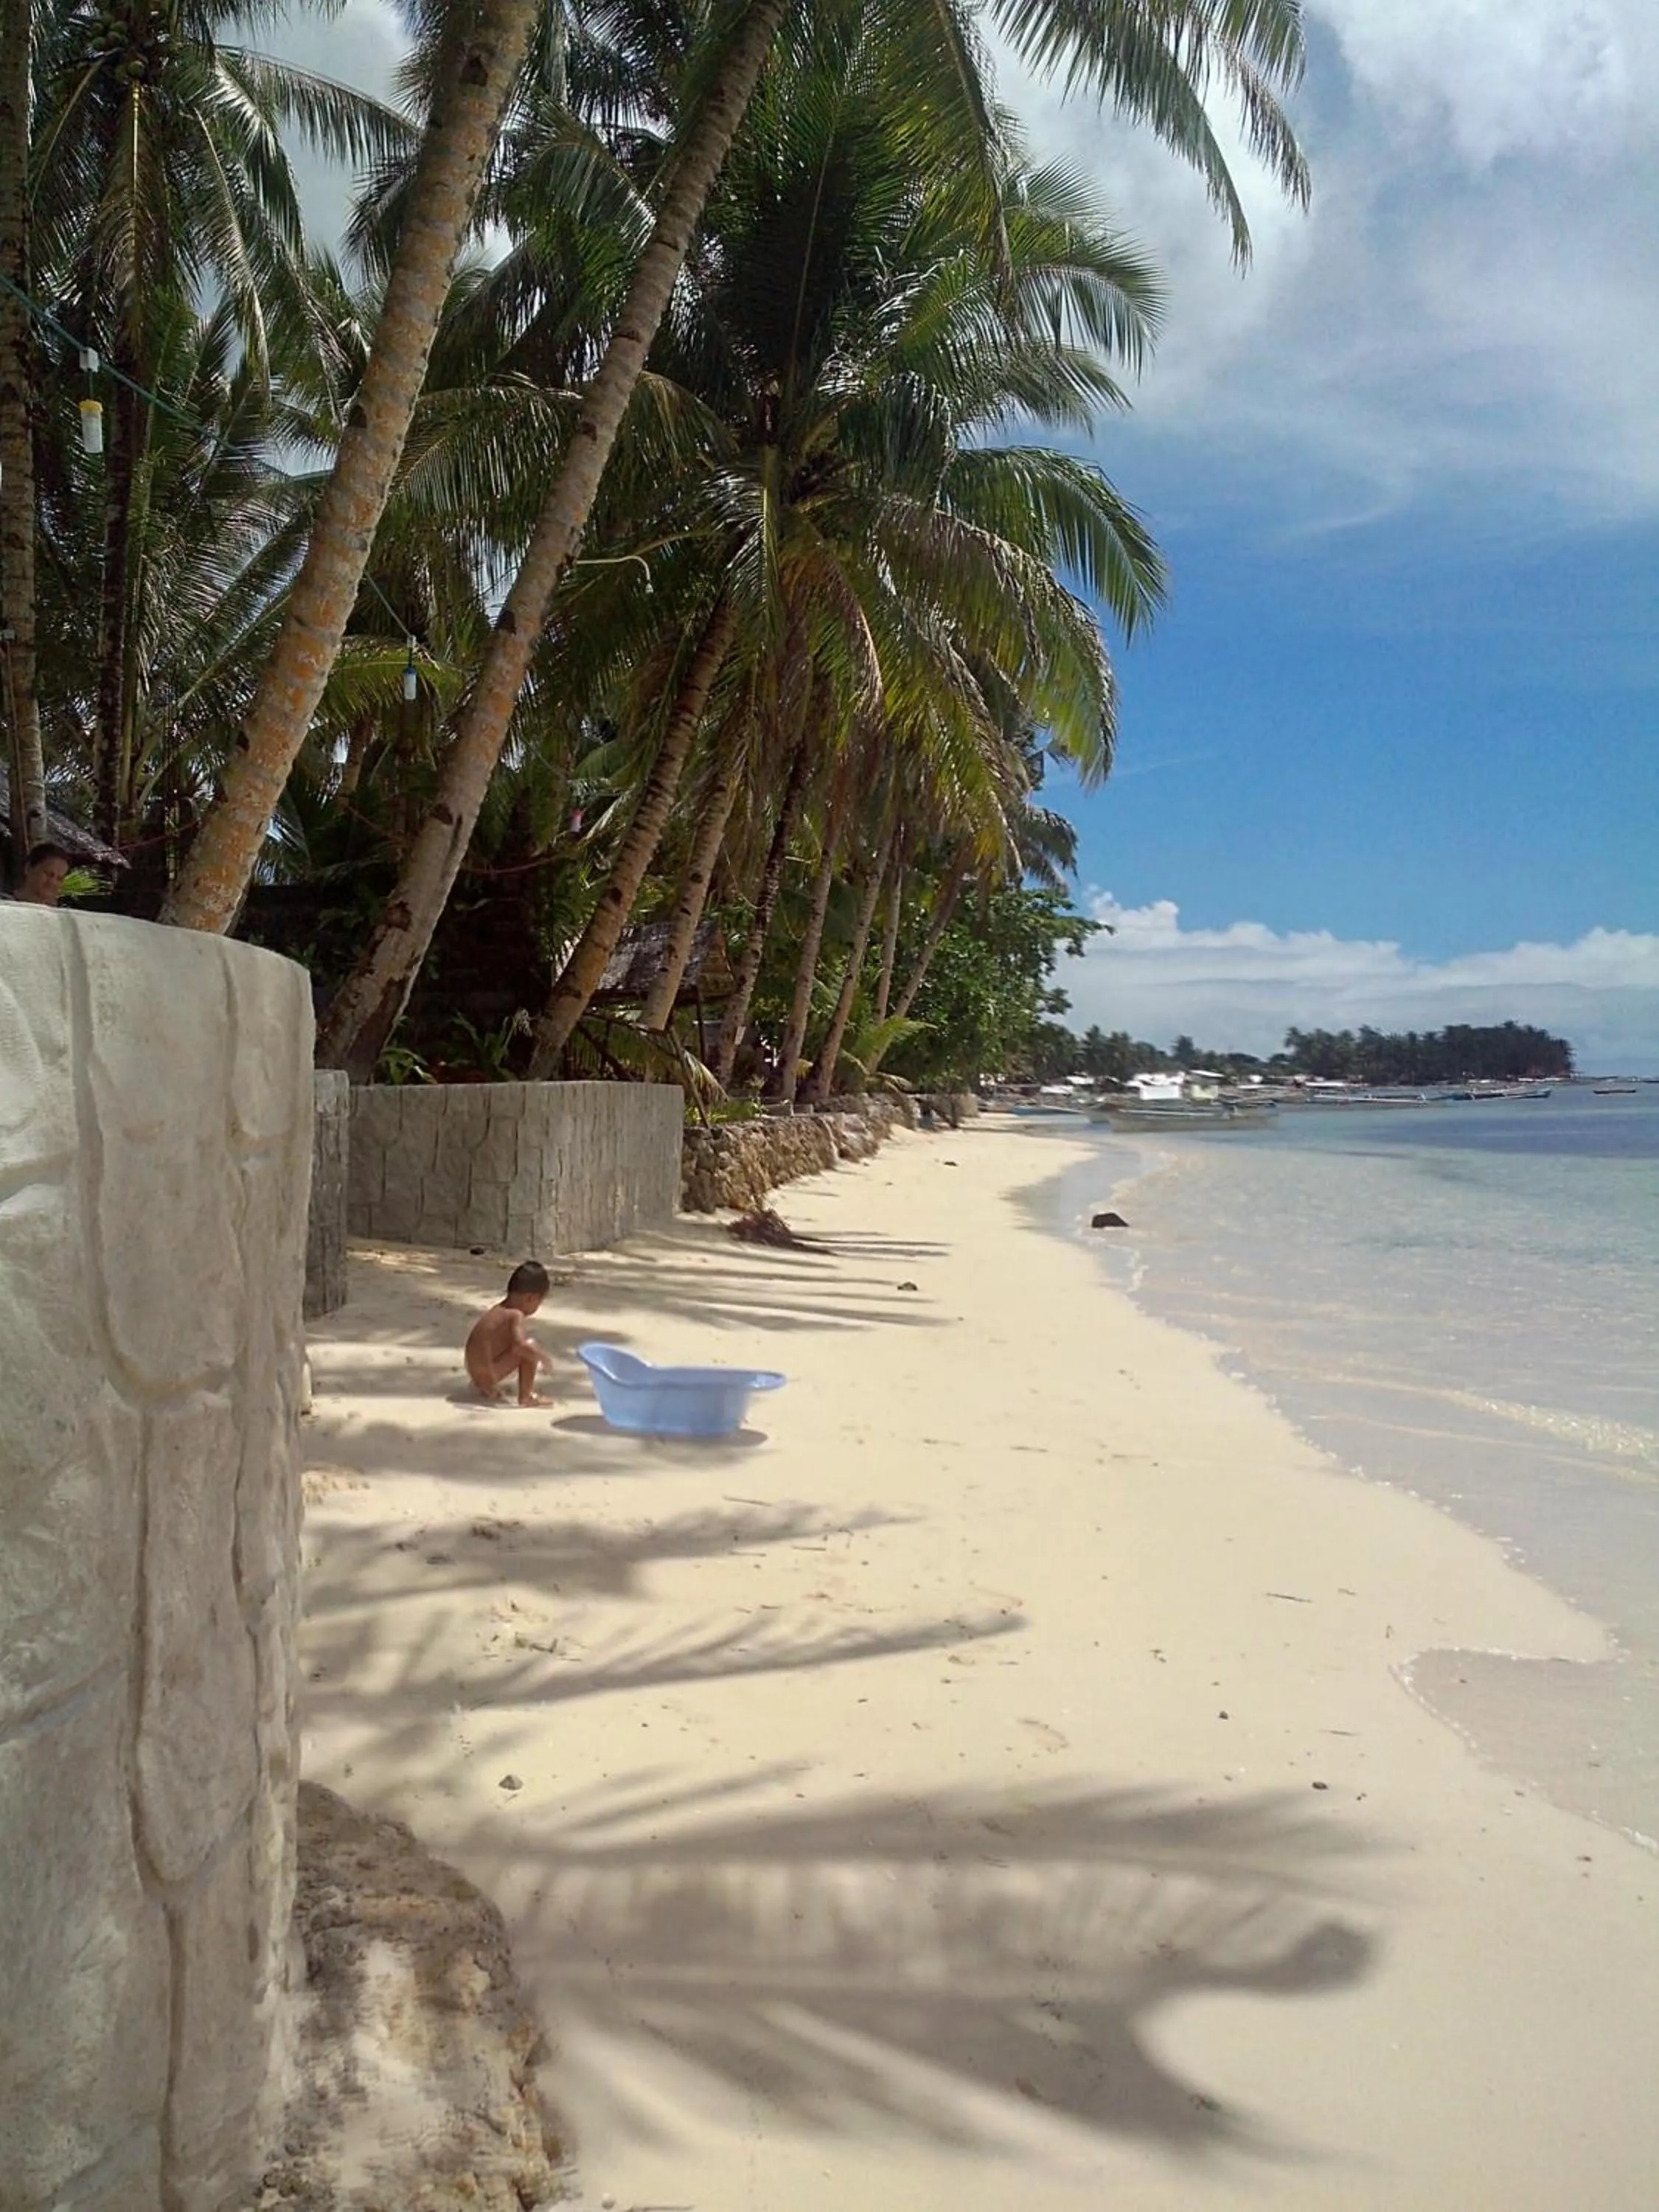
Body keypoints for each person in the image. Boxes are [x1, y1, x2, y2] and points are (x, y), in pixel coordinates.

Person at [465, 1260, 554, 1408]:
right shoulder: (515, 1315)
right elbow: (520, 1346)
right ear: (530, 1298)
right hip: (487, 1375)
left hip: (474, 1371)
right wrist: (542, 1358)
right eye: (539, 1302)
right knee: (530, 1347)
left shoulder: (499, 1309)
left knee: (519, 1345)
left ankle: (486, 1387)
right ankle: (526, 1397)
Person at [15, 841, 72, 906]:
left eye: (59, 879)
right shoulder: (6, 904)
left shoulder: (64, 911)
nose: (53, 882)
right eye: (49, 875)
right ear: (28, 869)